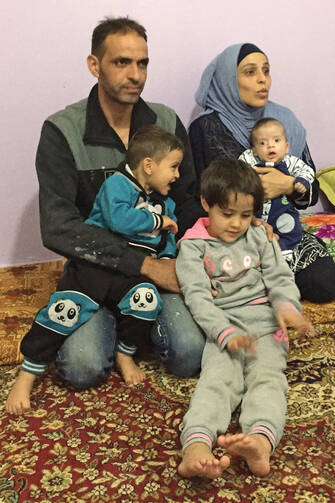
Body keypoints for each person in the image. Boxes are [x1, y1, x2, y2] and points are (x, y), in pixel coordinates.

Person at [31, 16, 207, 393]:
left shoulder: (165, 121)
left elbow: (188, 200)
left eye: (142, 63)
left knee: (190, 355)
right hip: (94, 273)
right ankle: (119, 324)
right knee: (82, 369)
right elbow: (58, 226)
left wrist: (223, 233)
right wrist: (144, 265)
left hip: (155, 271)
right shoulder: (62, 131)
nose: (135, 75)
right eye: (121, 62)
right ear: (94, 65)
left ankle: (134, 327)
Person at [6, 125, 185, 414]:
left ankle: (125, 354)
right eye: (174, 167)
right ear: (149, 166)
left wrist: (167, 256)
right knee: (64, 312)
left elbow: (168, 239)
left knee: (147, 299)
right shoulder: (117, 184)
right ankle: (26, 377)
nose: (177, 175)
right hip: (96, 268)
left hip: (130, 276)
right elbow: (119, 220)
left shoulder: (165, 203)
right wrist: (157, 222)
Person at [176, 159, 314, 479]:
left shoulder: (259, 236)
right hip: (224, 328)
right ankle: (196, 447)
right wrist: (225, 333)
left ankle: (261, 444)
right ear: (205, 204)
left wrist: (289, 309)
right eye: (227, 214)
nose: (237, 224)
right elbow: (197, 297)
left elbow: (280, 278)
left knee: (268, 380)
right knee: (215, 383)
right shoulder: (193, 247)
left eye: (246, 214)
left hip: (267, 326)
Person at [189, 43, 335, 303]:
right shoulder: (206, 128)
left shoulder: (284, 122)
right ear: (227, 80)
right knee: (231, 286)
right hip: (235, 233)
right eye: (250, 72)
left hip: (286, 229)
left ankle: (270, 282)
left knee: (326, 284)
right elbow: (200, 196)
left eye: (266, 71)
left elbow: (311, 188)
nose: (262, 80)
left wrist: (288, 185)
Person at [239, 117, 315, 262]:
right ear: (254, 150)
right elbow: (237, 172)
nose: (270, 146)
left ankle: (285, 250)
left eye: (276, 141)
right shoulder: (250, 160)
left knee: (291, 229)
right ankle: (257, 255)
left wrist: (300, 182)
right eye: (262, 143)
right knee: (251, 233)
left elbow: (307, 171)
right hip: (256, 215)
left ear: (286, 147)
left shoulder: (290, 161)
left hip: (283, 212)